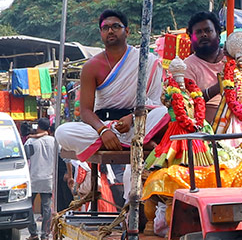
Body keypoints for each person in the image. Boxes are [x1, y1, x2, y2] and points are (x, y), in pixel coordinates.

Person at [55, 9, 163, 157]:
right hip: (103, 125)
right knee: (62, 132)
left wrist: (132, 118)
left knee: (164, 113)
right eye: (105, 28)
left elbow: (156, 102)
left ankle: (126, 141)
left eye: (116, 26)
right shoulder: (91, 67)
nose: (110, 31)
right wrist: (103, 130)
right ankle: (132, 142)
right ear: (101, 33)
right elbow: (85, 111)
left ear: (127, 31)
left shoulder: (145, 60)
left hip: (136, 124)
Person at [181, 10, 229, 125]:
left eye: (208, 30)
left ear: (218, 33)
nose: (204, 35)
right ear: (191, 37)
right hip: (206, 127)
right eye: (198, 32)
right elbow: (188, 103)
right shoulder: (186, 66)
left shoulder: (230, 59)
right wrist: (218, 87)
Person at [24, 117, 57, 240]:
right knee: (47, 208)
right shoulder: (53, 141)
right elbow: (63, 156)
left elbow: (25, 158)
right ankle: (45, 235)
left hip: (33, 178)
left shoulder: (30, 142)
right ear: (48, 128)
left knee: (28, 207)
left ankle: (33, 232)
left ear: (38, 127)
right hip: (48, 178)